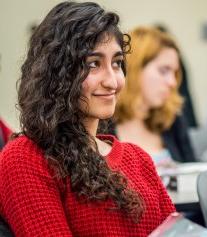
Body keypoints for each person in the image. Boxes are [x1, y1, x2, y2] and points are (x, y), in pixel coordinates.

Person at [0, 2, 175, 236]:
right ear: (58, 73)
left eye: (116, 63)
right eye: (94, 64)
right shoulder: (25, 158)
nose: (112, 81)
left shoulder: (139, 159)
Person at [114, 26, 196, 168]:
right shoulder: (100, 125)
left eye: (175, 73)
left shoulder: (172, 120)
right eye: (163, 71)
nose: (172, 82)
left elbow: (194, 169)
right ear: (135, 69)